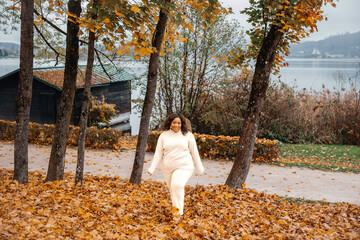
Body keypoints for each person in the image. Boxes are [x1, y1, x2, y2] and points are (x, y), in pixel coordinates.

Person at [147, 113, 205, 221]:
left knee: (177, 185)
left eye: (179, 123)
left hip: (184, 166)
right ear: (170, 123)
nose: (176, 125)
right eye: (174, 123)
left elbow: (194, 152)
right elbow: (158, 153)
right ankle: (176, 214)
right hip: (168, 168)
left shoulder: (188, 135)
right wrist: (152, 168)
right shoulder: (164, 136)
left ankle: (179, 214)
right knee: (173, 190)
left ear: (182, 124)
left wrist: (200, 167)